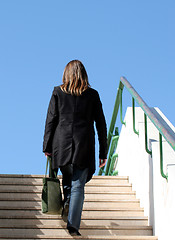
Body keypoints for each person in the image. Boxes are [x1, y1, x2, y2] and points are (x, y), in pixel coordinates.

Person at [43, 60, 108, 236]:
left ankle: (68, 202)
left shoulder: (58, 92)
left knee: (68, 175)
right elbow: (101, 125)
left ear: (66, 74)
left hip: (61, 144)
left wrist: (47, 146)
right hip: (84, 144)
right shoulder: (93, 95)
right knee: (78, 184)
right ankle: (73, 226)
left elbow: (51, 120)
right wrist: (104, 152)